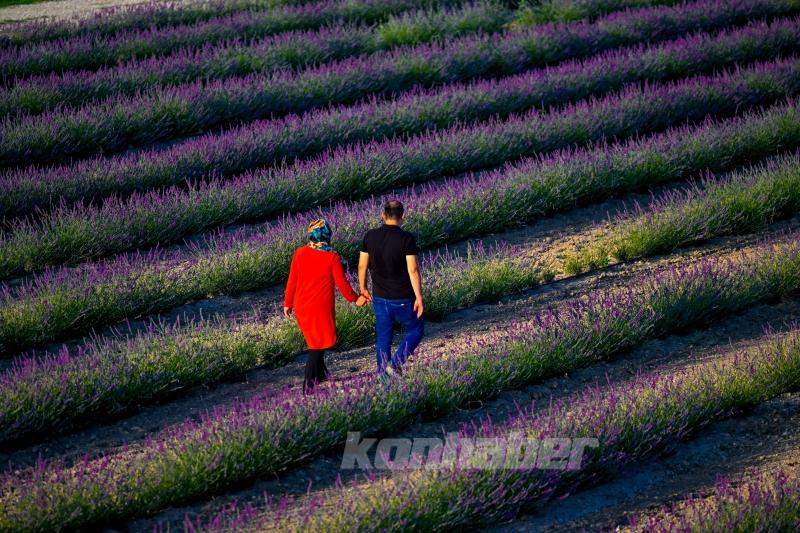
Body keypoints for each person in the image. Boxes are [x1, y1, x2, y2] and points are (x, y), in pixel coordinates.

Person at [284, 218, 368, 394]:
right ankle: (308, 386)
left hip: (302, 305)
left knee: (318, 339)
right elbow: (342, 284)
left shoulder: (300, 252)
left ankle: (321, 374)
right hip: (319, 307)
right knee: (316, 345)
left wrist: (288, 303)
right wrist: (355, 299)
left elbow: (292, 280)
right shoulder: (332, 257)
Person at [358, 200, 424, 379]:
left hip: (379, 297)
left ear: (383, 215)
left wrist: (363, 288)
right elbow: (413, 269)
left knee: (383, 337)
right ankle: (394, 365)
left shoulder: (370, 236)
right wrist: (419, 296)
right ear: (403, 216)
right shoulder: (406, 238)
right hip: (403, 297)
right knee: (416, 330)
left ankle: (382, 375)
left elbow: (362, 266)